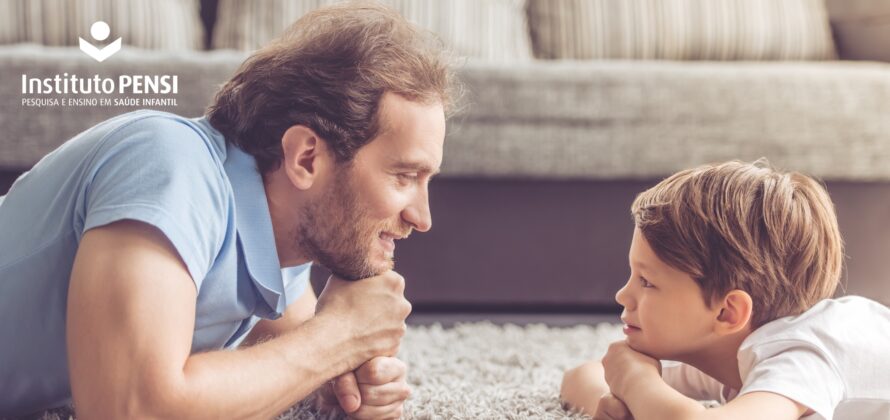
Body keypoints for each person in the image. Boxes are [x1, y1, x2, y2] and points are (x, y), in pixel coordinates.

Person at [0, 2, 458, 418]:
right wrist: (339, 338)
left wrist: (336, 384)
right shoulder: (168, 164)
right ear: (306, 158)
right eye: (404, 177)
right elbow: (129, 408)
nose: (422, 217)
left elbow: (294, 356)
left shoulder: (284, 243)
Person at [560, 160, 890, 420]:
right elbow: (580, 375)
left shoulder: (799, 356)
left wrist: (635, 382)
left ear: (727, 312)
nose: (622, 295)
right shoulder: (727, 349)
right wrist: (610, 402)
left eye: (647, 281)